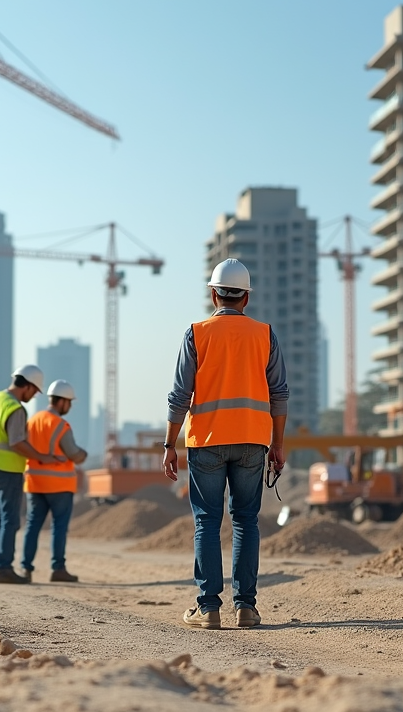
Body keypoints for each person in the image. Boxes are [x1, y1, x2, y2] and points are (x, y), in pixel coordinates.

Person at [162, 258, 288, 630]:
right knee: (246, 521)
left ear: (213, 294)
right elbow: (279, 394)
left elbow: (179, 396)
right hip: (252, 440)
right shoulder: (265, 334)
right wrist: (277, 444)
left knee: (207, 522)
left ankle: (209, 607)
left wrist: (170, 443)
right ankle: (246, 607)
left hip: (208, 441)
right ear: (246, 298)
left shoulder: (197, 333)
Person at [0, 364, 58, 584]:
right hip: (8, 469)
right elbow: (16, 442)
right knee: (10, 521)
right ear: (28, 386)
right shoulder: (15, 408)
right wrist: (42, 456)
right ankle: (4, 569)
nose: (33, 396)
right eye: (34, 391)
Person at [20, 380, 88, 583]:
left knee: (32, 525)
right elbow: (74, 453)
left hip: (34, 482)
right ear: (62, 402)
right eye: (69, 402)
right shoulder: (60, 424)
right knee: (59, 527)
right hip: (59, 485)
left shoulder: (32, 420)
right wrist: (83, 454)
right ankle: (57, 568)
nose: (70, 407)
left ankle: (25, 568)